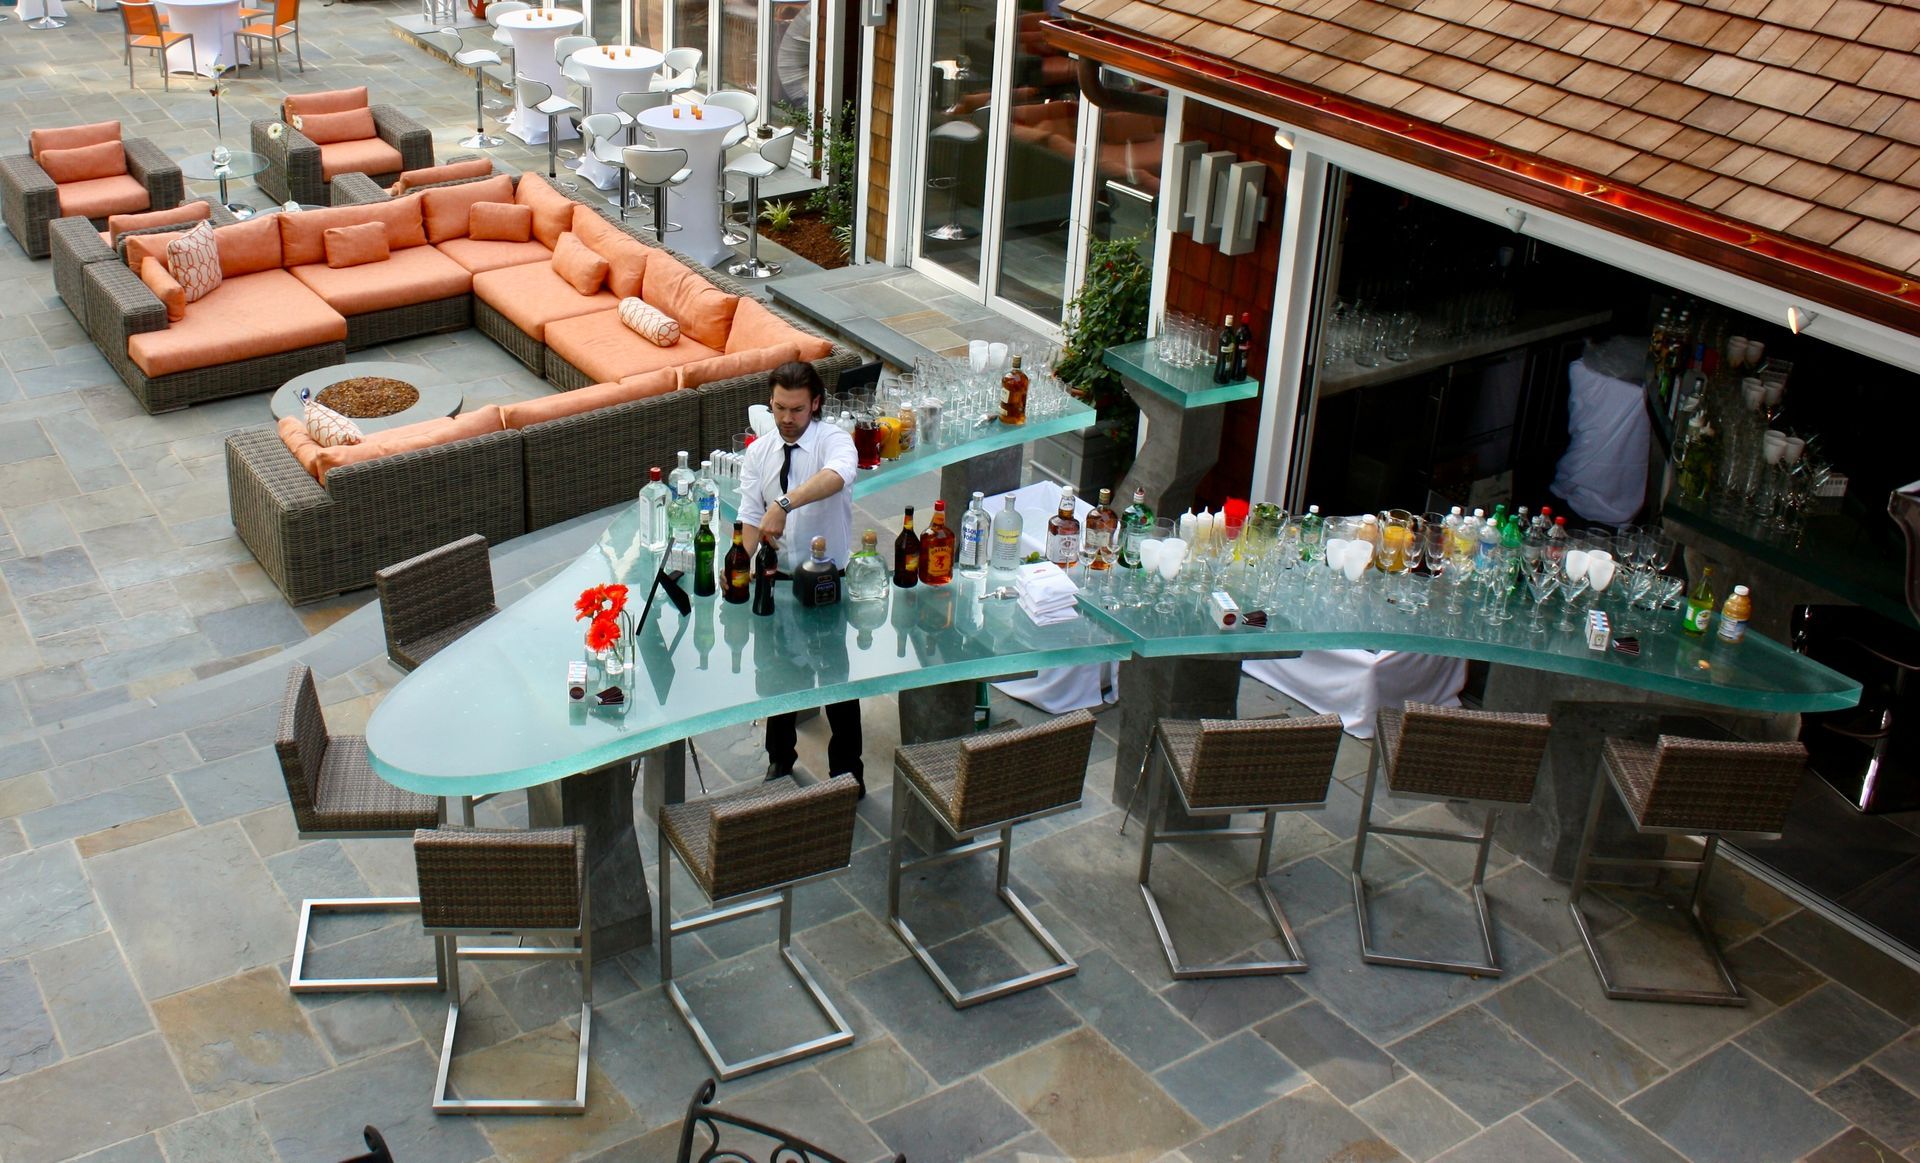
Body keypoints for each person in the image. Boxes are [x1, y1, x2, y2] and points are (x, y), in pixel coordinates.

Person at [735, 361, 865, 795]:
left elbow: (836, 477)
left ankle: (848, 774)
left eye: (796, 410)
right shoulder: (759, 452)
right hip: (779, 578)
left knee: (836, 678)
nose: (787, 420)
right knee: (778, 676)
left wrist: (785, 503)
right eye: (779, 409)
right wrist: (738, 561)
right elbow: (752, 516)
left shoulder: (834, 441)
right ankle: (779, 761)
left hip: (828, 580)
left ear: (815, 404)